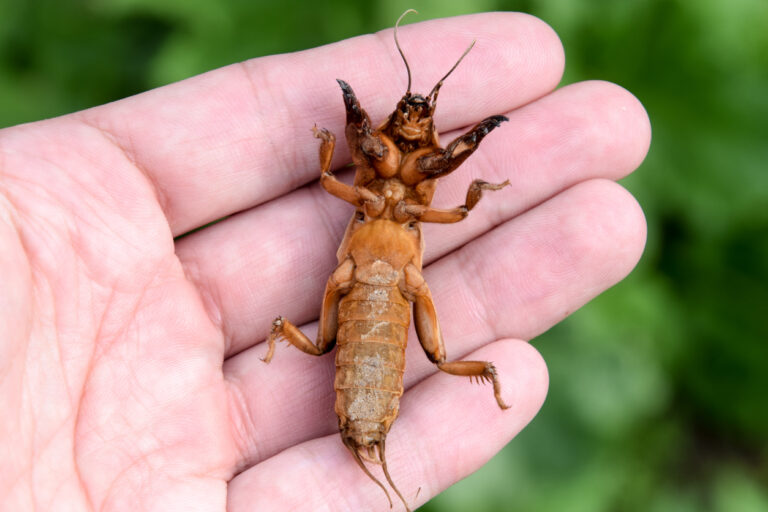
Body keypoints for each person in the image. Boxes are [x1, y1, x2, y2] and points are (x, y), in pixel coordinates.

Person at [0, 12, 650, 511]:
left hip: (388, 293)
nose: (412, 127)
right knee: (335, 342)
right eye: (404, 123)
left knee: (432, 353)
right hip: (374, 289)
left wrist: (474, 172)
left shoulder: (404, 184)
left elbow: (448, 208)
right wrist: (346, 137)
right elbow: (341, 179)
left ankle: (451, 389)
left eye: (423, 124)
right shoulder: (381, 176)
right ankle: (339, 374)